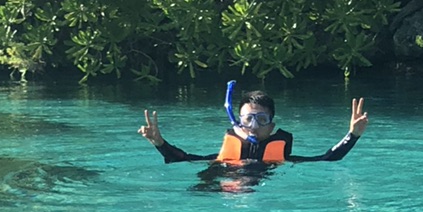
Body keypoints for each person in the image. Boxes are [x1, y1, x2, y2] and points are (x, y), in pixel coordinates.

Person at [139, 90, 368, 168]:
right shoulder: (223, 160)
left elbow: (327, 159)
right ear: (237, 122)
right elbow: (183, 158)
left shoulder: (281, 159)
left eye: (261, 120)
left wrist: (353, 135)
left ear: (272, 126)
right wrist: (159, 142)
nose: (254, 127)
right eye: (248, 119)